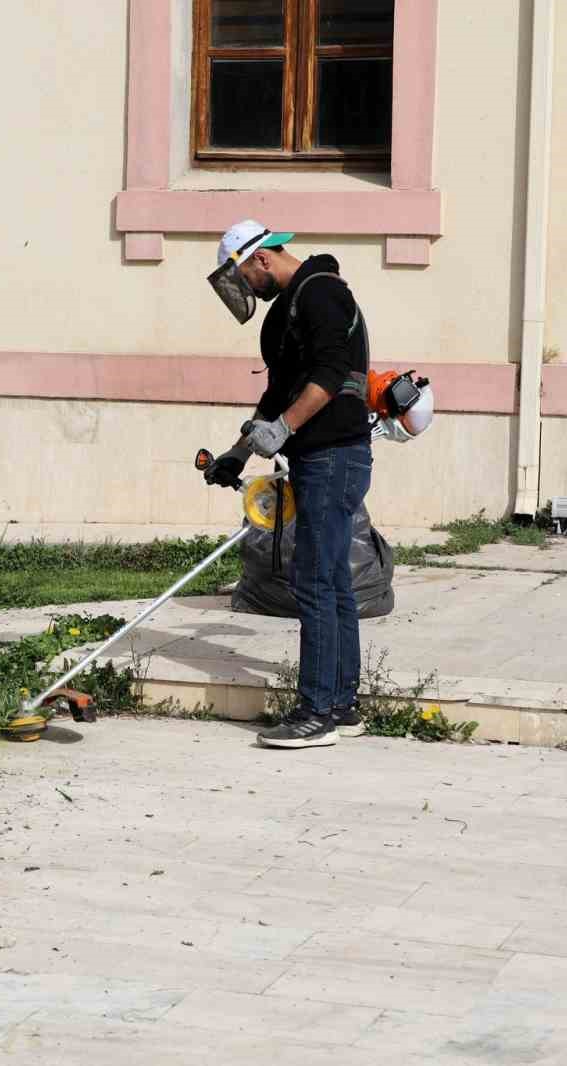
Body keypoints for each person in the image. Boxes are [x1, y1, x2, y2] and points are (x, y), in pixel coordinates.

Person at [204, 220, 372, 750]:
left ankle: (316, 710)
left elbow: (328, 373)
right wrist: (240, 449)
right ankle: (342, 704)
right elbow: (277, 394)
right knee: (331, 581)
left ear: (261, 259)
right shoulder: (285, 311)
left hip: (335, 454)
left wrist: (286, 428)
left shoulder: (322, 294)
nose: (247, 290)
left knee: (315, 582)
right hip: (315, 456)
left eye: (244, 277)